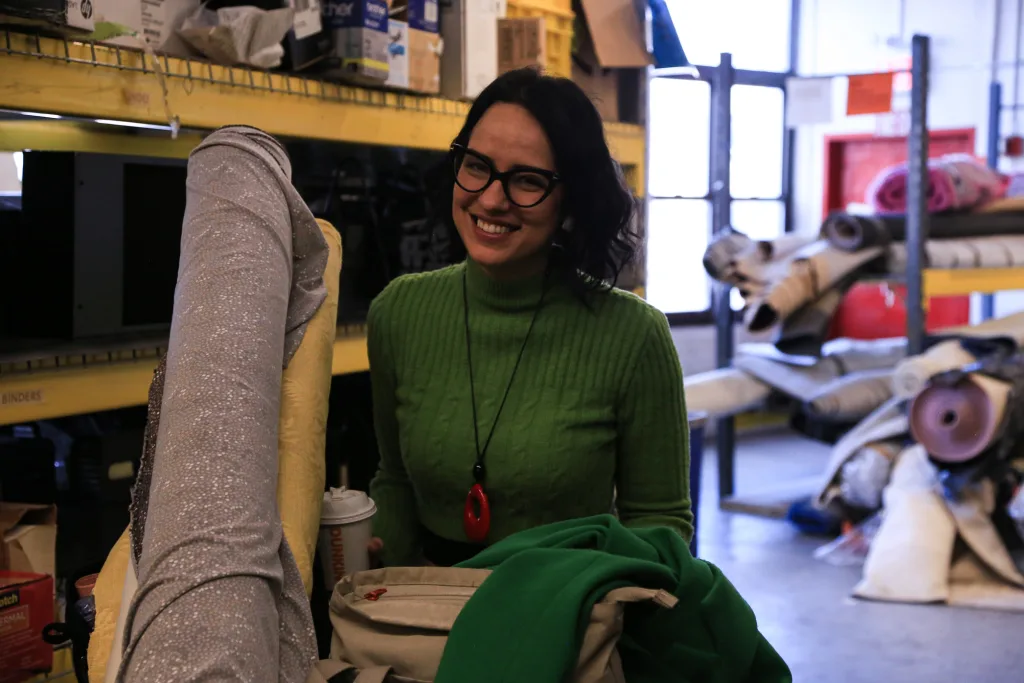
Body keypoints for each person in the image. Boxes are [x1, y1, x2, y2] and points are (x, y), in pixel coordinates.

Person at [366, 67, 692, 568]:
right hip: (427, 602)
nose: (491, 199)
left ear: (571, 199)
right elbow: (394, 480)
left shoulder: (634, 335)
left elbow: (659, 524)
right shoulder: (398, 313)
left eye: (527, 181)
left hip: (567, 602)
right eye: (476, 166)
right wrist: (377, 572)